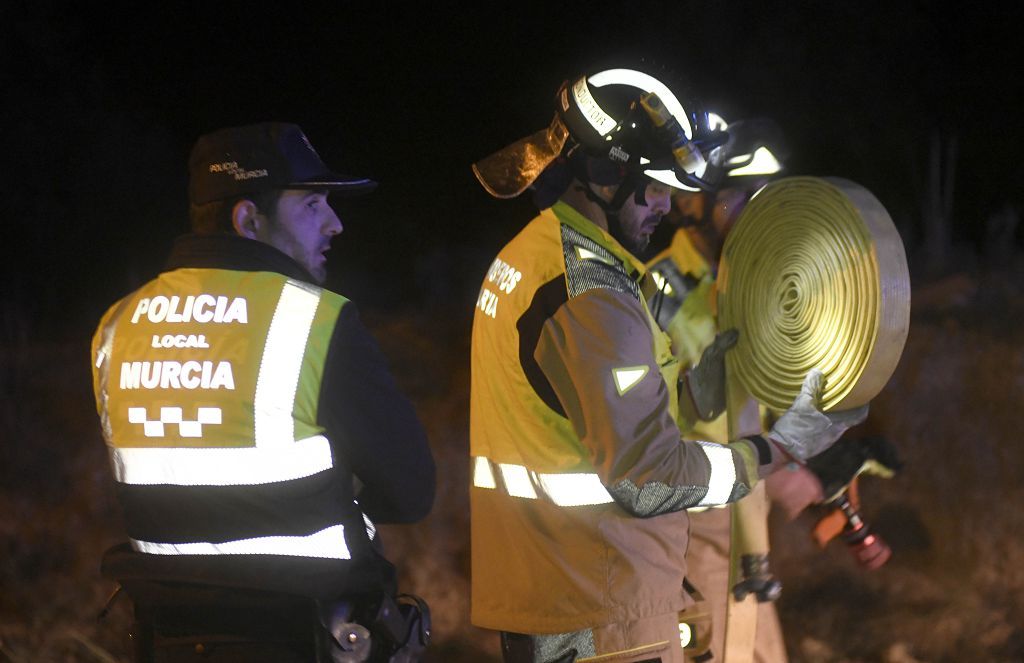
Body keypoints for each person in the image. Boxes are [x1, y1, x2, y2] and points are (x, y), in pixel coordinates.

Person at [468, 66, 868, 663]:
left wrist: (699, 386)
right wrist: (776, 450)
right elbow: (647, 478)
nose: (668, 205)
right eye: (652, 186)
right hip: (600, 604)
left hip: (572, 592)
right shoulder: (591, 294)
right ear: (603, 174)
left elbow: (596, 409)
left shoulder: (538, 254)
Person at [90, 122, 435, 661]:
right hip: (305, 632)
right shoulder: (314, 318)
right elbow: (411, 492)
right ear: (248, 219)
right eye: (313, 205)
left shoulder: (118, 323)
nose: (336, 224)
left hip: (169, 634)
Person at [647, 117, 900, 662]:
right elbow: (660, 429)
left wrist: (831, 466)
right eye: (742, 199)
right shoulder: (660, 293)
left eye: (768, 198)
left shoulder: (766, 294)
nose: (758, 215)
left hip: (747, 548)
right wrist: (785, 471)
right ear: (701, 203)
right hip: (690, 547)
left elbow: (773, 420)